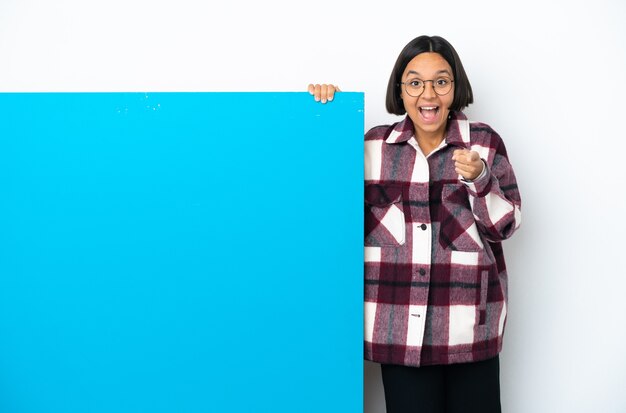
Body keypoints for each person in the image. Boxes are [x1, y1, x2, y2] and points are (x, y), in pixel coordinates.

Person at [308, 35, 521, 413]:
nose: (429, 93)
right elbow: (325, 211)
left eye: (441, 81)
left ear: (455, 88)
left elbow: (504, 226)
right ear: (400, 90)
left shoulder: (483, 143)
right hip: (400, 334)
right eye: (415, 82)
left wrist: (480, 178)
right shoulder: (371, 148)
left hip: (470, 331)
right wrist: (327, 115)